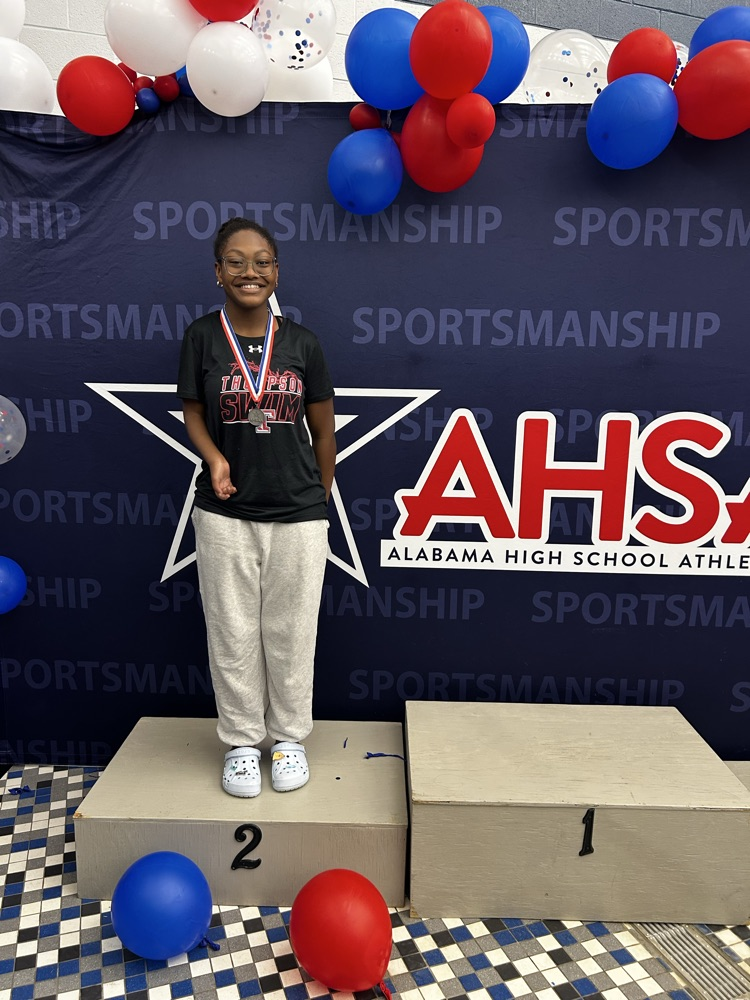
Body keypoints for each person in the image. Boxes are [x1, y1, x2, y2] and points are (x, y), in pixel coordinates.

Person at [177, 218, 336, 798]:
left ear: (277, 271)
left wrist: (320, 492)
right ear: (218, 271)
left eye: (263, 260)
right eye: (237, 261)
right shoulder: (201, 337)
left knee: (292, 631)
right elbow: (194, 410)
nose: (250, 271)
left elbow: (323, 426)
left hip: (298, 513)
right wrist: (215, 459)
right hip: (224, 514)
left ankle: (289, 738)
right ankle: (243, 743)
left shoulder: (302, 342)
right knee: (232, 630)